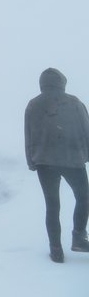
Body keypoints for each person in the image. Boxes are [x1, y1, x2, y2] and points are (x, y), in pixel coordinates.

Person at [25, 67, 89, 263]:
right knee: (84, 197)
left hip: (44, 161)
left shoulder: (33, 105)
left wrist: (32, 161)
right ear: (62, 82)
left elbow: (28, 135)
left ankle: (56, 249)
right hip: (72, 159)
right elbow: (86, 129)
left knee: (52, 206)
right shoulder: (74, 102)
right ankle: (78, 236)